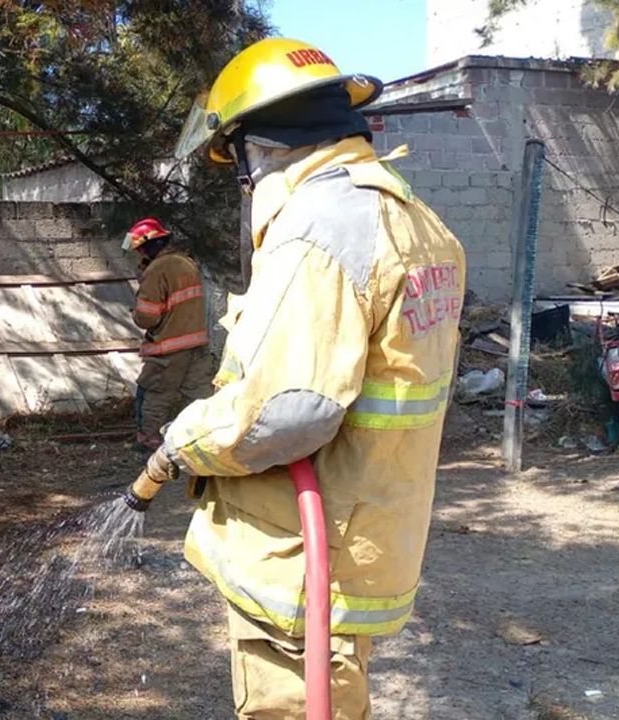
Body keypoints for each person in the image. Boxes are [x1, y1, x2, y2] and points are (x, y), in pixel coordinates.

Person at [131, 37, 467, 718]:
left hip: (302, 558)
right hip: (364, 532)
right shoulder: (411, 218)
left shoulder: (320, 229)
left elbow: (288, 412)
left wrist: (181, 440)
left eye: (239, 163)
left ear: (260, 151)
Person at [123, 217, 212, 450]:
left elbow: (147, 316)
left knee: (153, 393)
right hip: (197, 342)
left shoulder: (157, 269)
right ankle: (207, 437)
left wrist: (135, 314)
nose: (138, 254)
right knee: (200, 395)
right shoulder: (186, 263)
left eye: (140, 249)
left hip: (168, 347)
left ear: (149, 245)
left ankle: (148, 441)